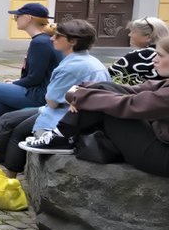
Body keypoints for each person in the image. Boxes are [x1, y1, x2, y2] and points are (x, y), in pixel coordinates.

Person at [24, 36, 169, 177]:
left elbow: (130, 104)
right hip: (158, 140)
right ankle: (61, 136)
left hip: (163, 158)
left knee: (105, 106)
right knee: (106, 90)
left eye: (160, 56)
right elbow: (132, 90)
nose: (154, 60)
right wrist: (80, 90)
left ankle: (61, 136)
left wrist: (82, 97)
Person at [0, 20, 109, 172]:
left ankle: (8, 178)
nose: (52, 38)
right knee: (8, 119)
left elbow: (52, 102)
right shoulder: (91, 61)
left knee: (17, 131)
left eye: (57, 36)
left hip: (66, 120)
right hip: (77, 115)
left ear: (72, 41)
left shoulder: (71, 67)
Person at [0, 2, 60, 138]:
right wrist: (17, 81)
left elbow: (34, 79)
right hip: (38, 90)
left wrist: (14, 84)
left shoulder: (40, 42)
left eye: (17, 17)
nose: (15, 20)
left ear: (28, 18)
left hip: (39, 95)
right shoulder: (44, 39)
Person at [109, 17, 169, 82]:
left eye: (133, 32)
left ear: (148, 36)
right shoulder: (161, 53)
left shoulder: (141, 55)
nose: (129, 35)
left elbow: (109, 75)